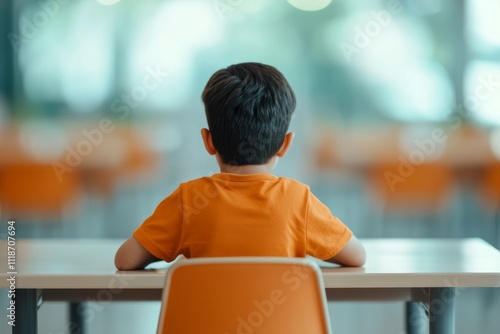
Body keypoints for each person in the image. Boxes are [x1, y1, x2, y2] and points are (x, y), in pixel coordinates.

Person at [115, 62, 365, 270]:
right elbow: (357, 257)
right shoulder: (299, 202)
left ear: (208, 141)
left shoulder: (188, 201)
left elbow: (125, 260)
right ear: (285, 144)